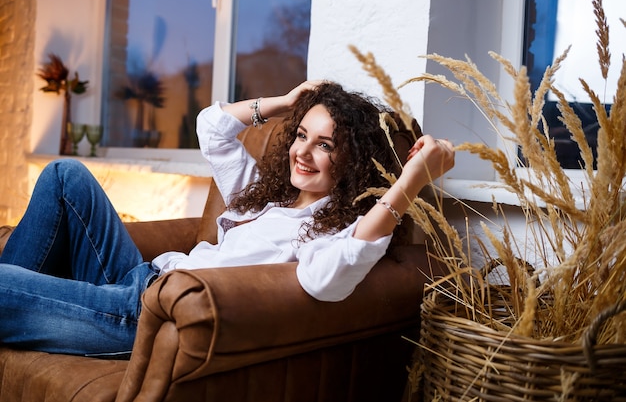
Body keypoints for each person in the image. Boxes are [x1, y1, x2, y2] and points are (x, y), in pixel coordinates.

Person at [0, 81, 454, 357]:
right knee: (65, 175)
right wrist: (285, 102)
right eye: (300, 135)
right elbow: (212, 127)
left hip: (144, 316)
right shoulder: (266, 198)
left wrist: (410, 180)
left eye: (326, 144)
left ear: (353, 161)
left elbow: (326, 281)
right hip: (143, 276)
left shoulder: (332, 233)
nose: (302, 152)